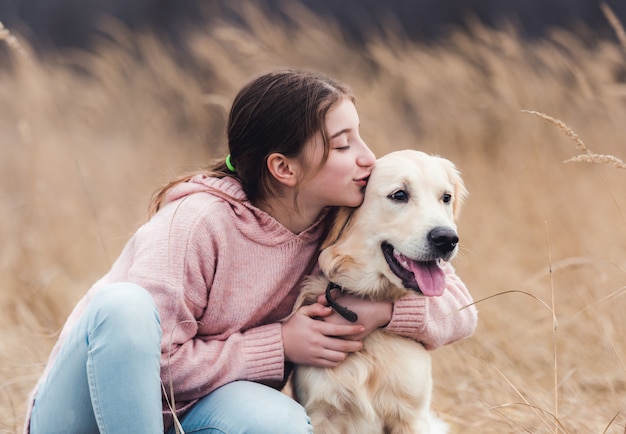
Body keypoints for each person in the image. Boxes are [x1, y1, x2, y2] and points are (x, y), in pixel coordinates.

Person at [25, 69, 477, 434]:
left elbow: (458, 307)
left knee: (278, 423)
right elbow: (146, 367)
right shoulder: (198, 224)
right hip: (81, 414)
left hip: (193, 417)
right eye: (343, 144)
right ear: (283, 167)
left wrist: (378, 314)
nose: (367, 157)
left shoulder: (338, 220)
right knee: (122, 305)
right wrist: (278, 344)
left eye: (360, 137)